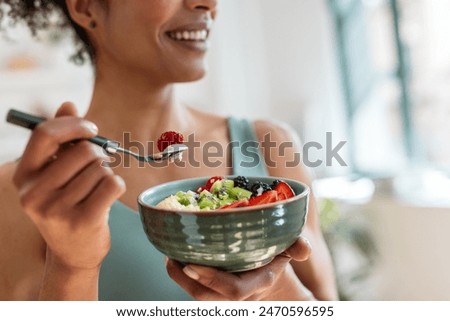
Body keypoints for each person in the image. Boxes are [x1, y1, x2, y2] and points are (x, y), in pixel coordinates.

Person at [0, 0, 338, 301]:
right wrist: (72, 266)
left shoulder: (271, 145)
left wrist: (275, 288)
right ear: (87, 6)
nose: (207, 4)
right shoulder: (20, 192)